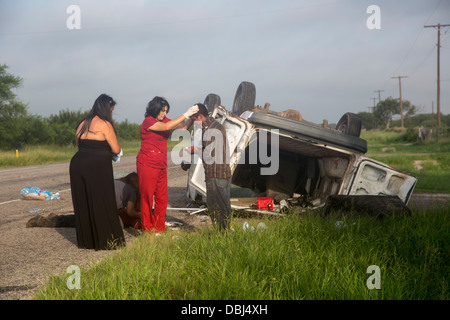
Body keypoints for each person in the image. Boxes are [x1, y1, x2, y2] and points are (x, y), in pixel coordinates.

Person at [69, 93, 125, 250]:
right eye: (112, 110)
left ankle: (87, 240)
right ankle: (107, 240)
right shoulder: (105, 124)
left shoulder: (82, 123)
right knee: (102, 201)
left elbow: (79, 146)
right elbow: (115, 148)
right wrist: (118, 152)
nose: (112, 114)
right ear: (107, 109)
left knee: (84, 201)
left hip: (78, 164)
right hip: (97, 166)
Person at [136, 96, 198, 234]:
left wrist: (191, 118)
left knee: (162, 198)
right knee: (147, 198)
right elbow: (166, 127)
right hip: (147, 163)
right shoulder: (148, 121)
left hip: (161, 164)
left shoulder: (164, 120)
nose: (164, 114)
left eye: (166, 111)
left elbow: (182, 128)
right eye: (162, 111)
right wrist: (185, 114)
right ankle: (148, 229)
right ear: (155, 109)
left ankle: (159, 228)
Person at [27, 173, 142, 230]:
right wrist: (143, 214)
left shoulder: (118, 184)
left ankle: (51, 219)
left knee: (78, 220)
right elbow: (131, 213)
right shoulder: (132, 192)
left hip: (88, 201)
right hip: (103, 215)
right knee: (81, 223)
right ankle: (46, 221)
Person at [188, 103, 232, 230]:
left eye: (194, 120)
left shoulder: (210, 129)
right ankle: (225, 232)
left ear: (200, 116)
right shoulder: (215, 125)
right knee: (223, 206)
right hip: (222, 173)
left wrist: (195, 150)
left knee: (216, 207)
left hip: (216, 175)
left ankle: (223, 233)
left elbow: (208, 156)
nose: (193, 123)